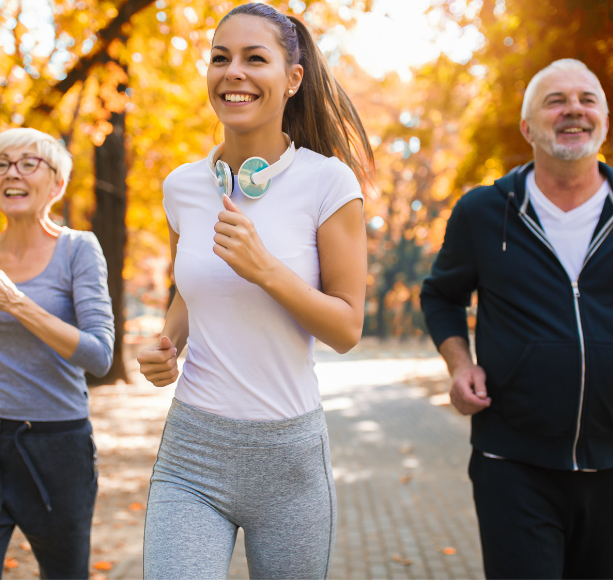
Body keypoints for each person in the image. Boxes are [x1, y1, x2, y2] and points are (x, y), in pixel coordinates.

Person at [420, 59, 613, 579]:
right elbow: (440, 295)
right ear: (527, 127)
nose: (573, 109)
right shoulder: (484, 212)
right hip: (509, 460)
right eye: (555, 100)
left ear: (603, 119)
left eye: (587, 99)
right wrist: (458, 363)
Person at [136, 4, 371, 579]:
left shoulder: (327, 182)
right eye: (220, 58)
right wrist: (166, 344)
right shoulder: (183, 188)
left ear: (292, 79)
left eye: (254, 58)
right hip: (192, 450)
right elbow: (194, 287)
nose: (232, 72)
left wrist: (266, 269)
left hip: (288, 460)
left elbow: (346, 328)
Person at [0, 128, 115, 579]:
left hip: (56, 446)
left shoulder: (78, 250)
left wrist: (16, 301)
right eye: (1, 163)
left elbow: (99, 356)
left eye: (27, 163)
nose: (11, 173)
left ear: (57, 185)